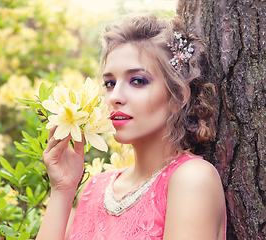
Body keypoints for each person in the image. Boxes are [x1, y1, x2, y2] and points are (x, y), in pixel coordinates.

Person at [36, 12, 226, 240]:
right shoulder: (93, 189)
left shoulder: (193, 179)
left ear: (178, 98)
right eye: (109, 83)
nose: (115, 96)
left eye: (138, 81)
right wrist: (62, 190)